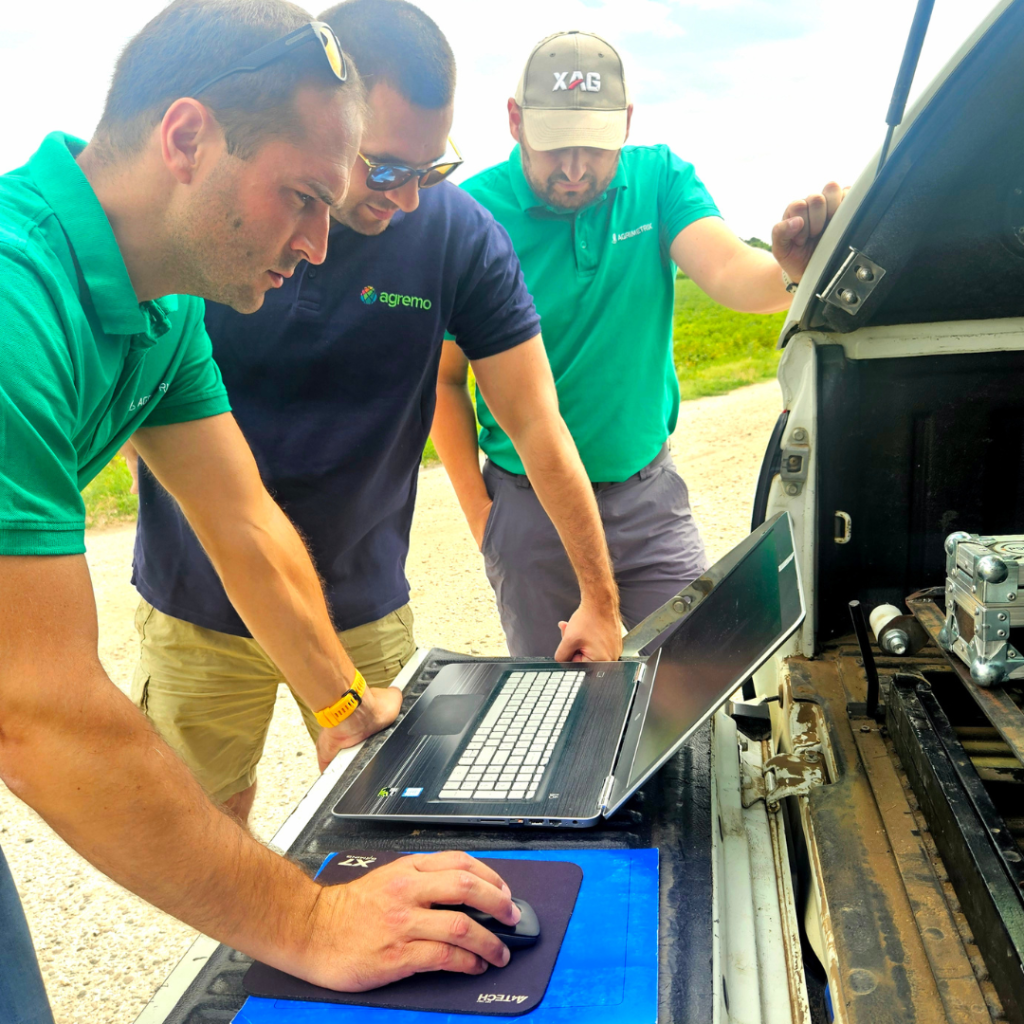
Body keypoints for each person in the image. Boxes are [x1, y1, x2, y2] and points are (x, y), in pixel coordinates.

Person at [0, 3, 520, 1021]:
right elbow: (37, 707)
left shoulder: (164, 309)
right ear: (187, 138)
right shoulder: (16, 304)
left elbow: (242, 522)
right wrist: (315, 922)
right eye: (303, 197)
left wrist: (341, 706)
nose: (320, 244)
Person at [124, 0, 622, 826]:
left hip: (361, 603)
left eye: (433, 169)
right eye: (386, 168)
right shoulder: (220, 223)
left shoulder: (458, 237)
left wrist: (599, 599)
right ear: (326, 118)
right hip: (197, 605)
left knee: (391, 823)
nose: (411, 200)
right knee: (209, 823)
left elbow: (536, 421)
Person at [431, 30, 845, 656]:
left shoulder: (659, 179)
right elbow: (443, 378)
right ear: (515, 121)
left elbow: (732, 271)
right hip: (529, 510)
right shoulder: (472, 216)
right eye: (555, 144)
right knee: (557, 697)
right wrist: (480, 516)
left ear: (626, 123)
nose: (575, 169)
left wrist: (794, 270)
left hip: (648, 499)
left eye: (595, 147)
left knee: (700, 670)